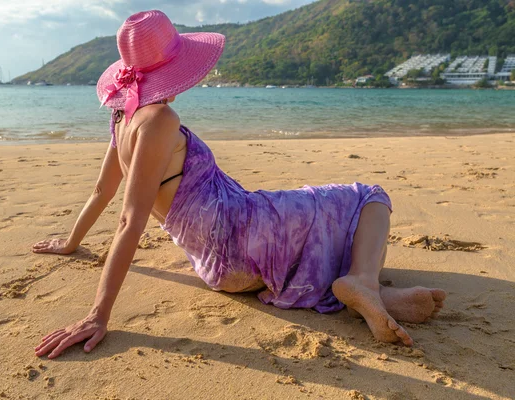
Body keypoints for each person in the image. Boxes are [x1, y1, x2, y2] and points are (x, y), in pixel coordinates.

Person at [32, 10, 446, 360]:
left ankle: (371, 291)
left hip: (216, 265)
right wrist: (98, 315)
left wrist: (71, 243)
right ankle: (363, 284)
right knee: (368, 198)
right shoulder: (159, 121)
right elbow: (129, 220)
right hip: (245, 234)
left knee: (331, 224)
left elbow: (101, 192)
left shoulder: (123, 117)